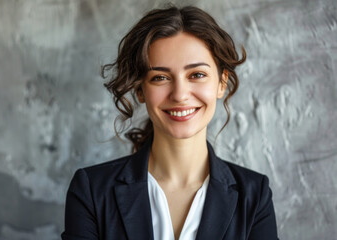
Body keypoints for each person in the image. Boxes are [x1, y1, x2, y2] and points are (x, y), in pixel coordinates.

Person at [61, 5, 279, 240]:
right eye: (160, 77)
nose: (180, 94)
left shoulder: (254, 196)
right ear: (140, 89)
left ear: (221, 82)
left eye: (196, 74)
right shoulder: (92, 191)